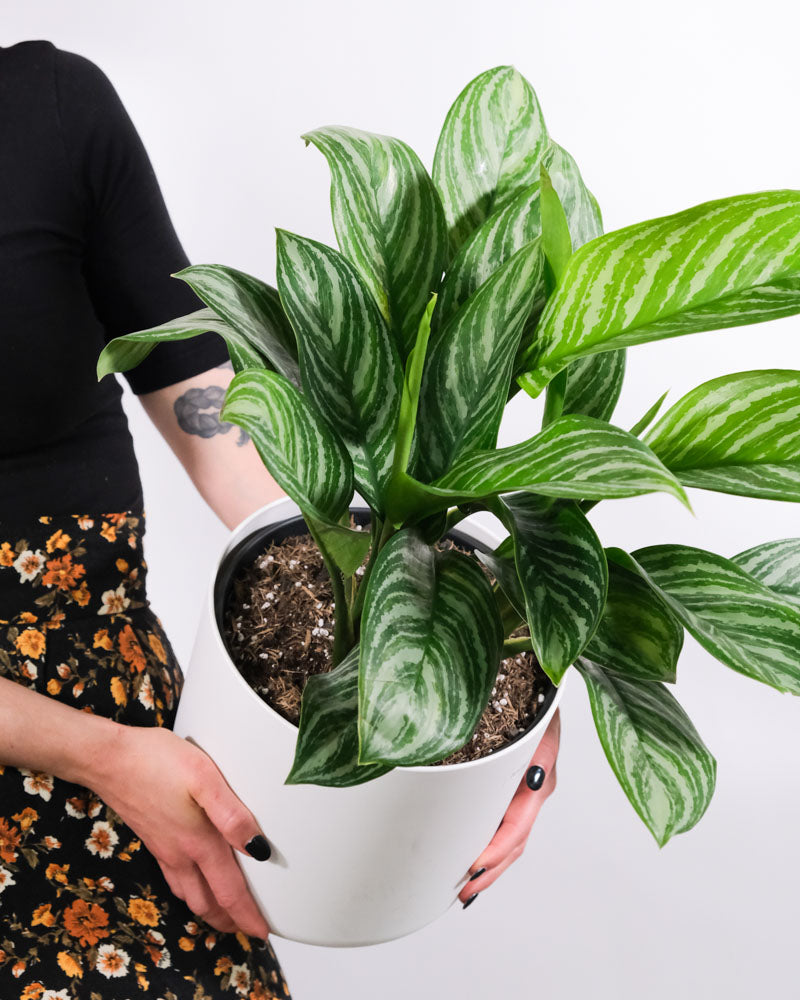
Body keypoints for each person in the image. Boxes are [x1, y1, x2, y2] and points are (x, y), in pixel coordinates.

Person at [0, 37, 560, 997]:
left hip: (118, 729)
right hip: (108, 757)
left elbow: (242, 449)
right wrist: (106, 758)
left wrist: (490, 654)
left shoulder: (49, 107)